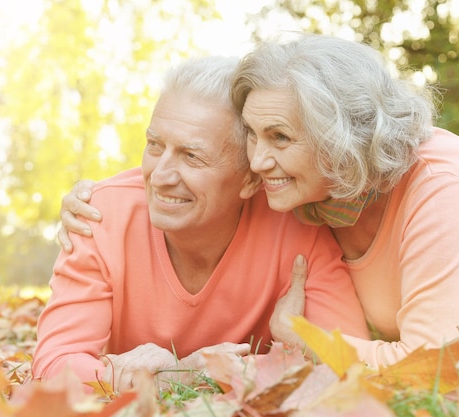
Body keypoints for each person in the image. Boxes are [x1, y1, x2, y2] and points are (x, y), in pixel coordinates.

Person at [59, 35, 459, 368]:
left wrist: (302, 338)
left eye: (279, 138)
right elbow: (194, 165)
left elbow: (428, 369)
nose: (256, 160)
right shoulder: (316, 193)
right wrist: (96, 200)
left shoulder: (440, 190)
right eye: (252, 135)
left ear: (341, 141)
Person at [33, 55, 369, 392]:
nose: (160, 176)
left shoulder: (298, 226)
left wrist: (207, 371)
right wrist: (169, 377)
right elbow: (53, 364)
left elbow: (354, 362)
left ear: (251, 180)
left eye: (191, 156)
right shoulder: (100, 215)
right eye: (154, 145)